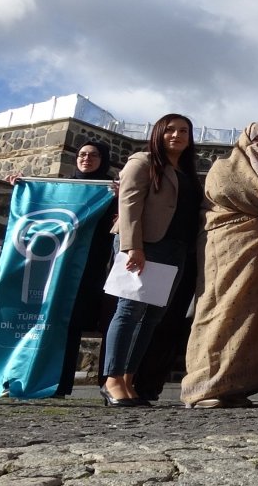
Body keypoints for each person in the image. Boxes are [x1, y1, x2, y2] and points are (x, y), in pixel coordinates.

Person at [180, 123, 258, 409]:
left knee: (251, 317)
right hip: (226, 246)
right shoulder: (223, 166)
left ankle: (235, 385)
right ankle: (203, 385)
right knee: (219, 308)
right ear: (246, 137)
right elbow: (228, 190)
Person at [102, 114, 202, 407]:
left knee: (152, 319)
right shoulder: (142, 162)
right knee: (129, 311)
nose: (177, 135)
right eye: (170, 130)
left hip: (175, 249)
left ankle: (129, 380)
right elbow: (129, 204)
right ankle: (112, 380)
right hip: (146, 246)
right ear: (158, 133)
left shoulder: (186, 171)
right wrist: (133, 247)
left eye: (184, 131)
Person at [54, 141, 117, 397]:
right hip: (55, 265)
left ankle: (60, 384)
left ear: (103, 159)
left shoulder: (111, 191)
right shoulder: (61, 188)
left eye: (93, 154)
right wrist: (20, 183)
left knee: (73, 324)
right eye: (82, 154)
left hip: (89, 267)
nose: (86, 158)